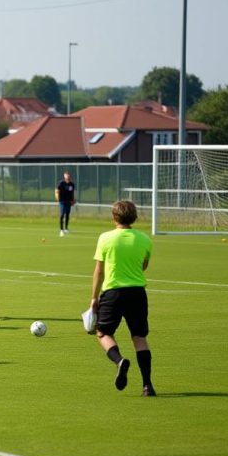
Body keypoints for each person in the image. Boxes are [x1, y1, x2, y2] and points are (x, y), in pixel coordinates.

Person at [90, 200, 155, 396]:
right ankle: (147, 386)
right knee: (139, 338)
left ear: (114, 217)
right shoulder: (144, 239)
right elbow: (143, 266)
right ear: (134, 216)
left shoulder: (105, 238)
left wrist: (94, 298)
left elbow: (99, 271)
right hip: (137, 293)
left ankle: (119, 360)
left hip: (113, 293)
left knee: (102, 333)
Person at [56, 170, 76, 236]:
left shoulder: (72, 184)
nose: (68, 176)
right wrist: (57, 198)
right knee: (62, 215)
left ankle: (66, 228)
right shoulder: (61, 183)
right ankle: (61, 230)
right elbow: (57, 191)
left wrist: (73, 200)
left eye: (68, 175)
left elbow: (72, 192)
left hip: (69, 202)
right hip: (62, 201)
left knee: (67, 214)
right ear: (64, 176)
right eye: (66, 175)